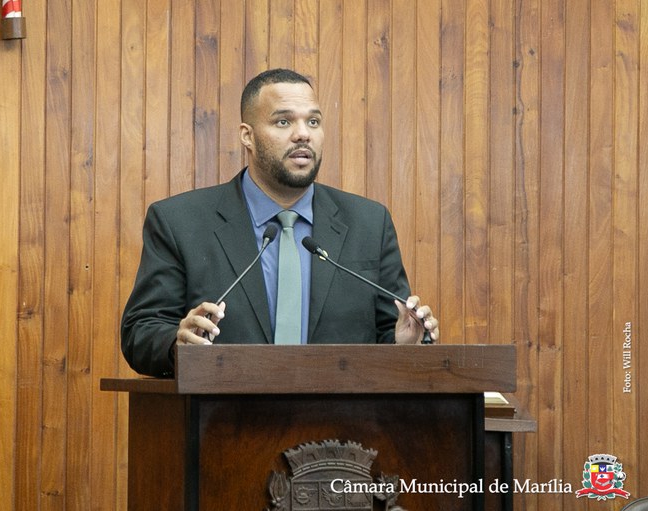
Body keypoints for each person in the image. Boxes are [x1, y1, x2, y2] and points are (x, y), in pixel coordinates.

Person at [121, 68, 439, 377]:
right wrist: (178, 342)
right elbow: (141, 331)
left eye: (313, 121)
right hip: (223, 420)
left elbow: (386, 332)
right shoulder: (180, 222)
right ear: (248, 136)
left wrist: (405, 343)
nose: (302, 133)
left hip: (343, 425)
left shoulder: (369, 223)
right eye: (283, 121)